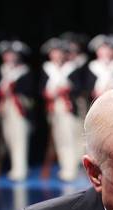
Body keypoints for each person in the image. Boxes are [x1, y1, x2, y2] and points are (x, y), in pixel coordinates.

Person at [40, 37, 83, 181]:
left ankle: (71, 169)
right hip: (54, 107)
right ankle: (65, 166)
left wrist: (65, 89)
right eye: (54, 52)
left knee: (70, 137)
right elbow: (41, 88)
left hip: (68, 107)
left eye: (59, 52)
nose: (56, 55)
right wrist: (51, 92)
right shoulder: (47, 69)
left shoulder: (71, 68)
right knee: (59, 139)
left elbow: (78, 88)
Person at [0, 40, 34, 181]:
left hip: (19, 108)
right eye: (7, 55)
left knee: (19, 137)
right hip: (6, 108)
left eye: (12, 55)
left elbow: (28, 91)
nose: (9, 57)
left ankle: (20, 169)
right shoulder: (1, 70)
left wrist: (13, 89)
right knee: (9, 138)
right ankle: (15, 167)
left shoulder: (23, 71)